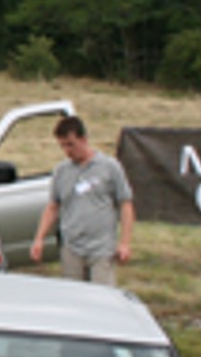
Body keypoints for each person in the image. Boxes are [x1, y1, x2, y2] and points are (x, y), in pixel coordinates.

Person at [30, 113, 135, 285]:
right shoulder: (61, 172)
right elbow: (53, 207)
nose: (67, 151)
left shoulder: (109, 167)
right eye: (63, 146)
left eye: (71, 144)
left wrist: (124, 243)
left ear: (84, 140)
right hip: (72, 248)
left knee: (102, 297)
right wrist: (39, 238)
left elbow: (125, 204)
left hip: (101, 249)